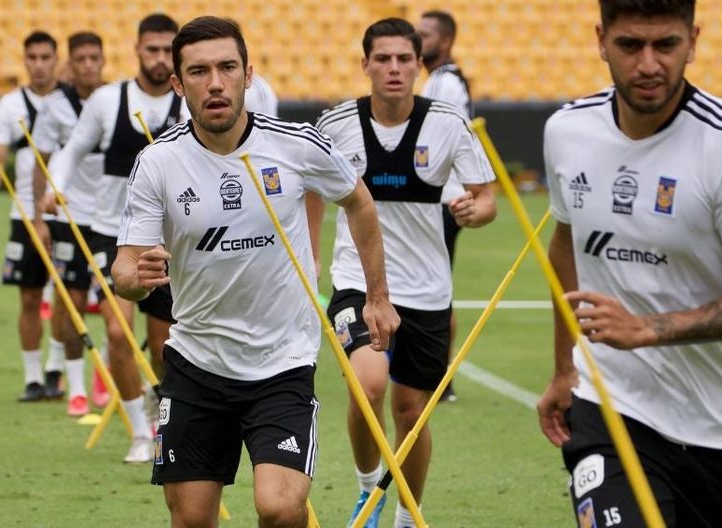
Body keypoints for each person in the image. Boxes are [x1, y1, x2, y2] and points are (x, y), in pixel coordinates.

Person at [112, 16, 399, 528]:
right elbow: (125, 269)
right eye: (198, 72)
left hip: (282, 363)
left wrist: (377, 295)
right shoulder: (157, 162)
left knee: (280, 509)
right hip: (196, 363)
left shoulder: (296, 144)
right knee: (192, 520)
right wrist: (138, 277)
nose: (215, 83)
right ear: (177, 84)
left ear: (248, 75)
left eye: (227, 68)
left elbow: (359, 202)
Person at [537, 1, 722, 526]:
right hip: (614, 407)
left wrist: (647, 329)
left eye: (665, 45)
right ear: (602, 41)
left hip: (717, 426)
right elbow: (566, 245)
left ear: (693, 41)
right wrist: (566, 367)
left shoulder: (721, 147)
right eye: (629, 45)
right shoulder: (566, 130)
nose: (648, 65)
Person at [309, 18, 496, 528]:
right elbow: (310, 187)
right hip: (358, 281)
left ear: (419, 65)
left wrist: (474, 211)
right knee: (367, 386)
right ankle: (367, 489)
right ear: (365, 64)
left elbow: (486, 199)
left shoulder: (448, 124)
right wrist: (312, 253)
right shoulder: (336, 125)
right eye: (383, 59)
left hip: (427, 290)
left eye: (404, 59)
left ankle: (408, 516)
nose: (394, 68)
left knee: (412, 413)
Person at [48, 13, 188, 463]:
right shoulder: (109, 101)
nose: (160, 58)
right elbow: (71, 151)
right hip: (113, 234)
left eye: (167, 50)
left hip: (169, 241)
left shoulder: (189, 104)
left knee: (166, 348)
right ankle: (139, 432)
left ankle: (162, 413)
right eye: (152, 50)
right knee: (117, 331)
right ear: (137, 51)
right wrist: (55, 187)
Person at [0, 30, 63, 403]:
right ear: (24, 61)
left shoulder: (71, 101)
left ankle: (57, 369)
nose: (39, 65)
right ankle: (32, 377)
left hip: (68, 212)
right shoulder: (10, 105)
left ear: (56, 59)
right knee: (29, 297)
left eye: (45, 57)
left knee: (67, 296)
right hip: (23, 212)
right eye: (32, 58)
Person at [31, 31, 106, 417]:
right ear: (70, 64)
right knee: (70, 302)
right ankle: (75, 386)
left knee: (116, 305)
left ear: (104, 60)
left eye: (95, 58)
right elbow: (41, 163)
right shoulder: (55, 106)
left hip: (111, 217)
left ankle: (105, 373)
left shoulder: (115, 101)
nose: (88, 65)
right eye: (81, 59)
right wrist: (39, 216)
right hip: (69, 215)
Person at [417, 9, 474, 403]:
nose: (419, 41)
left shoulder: (443, 83)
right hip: (444, 197)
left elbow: (437, 140)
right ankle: (438, 375)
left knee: (435, 290)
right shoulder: (443, 80)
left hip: (441, 198)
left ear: (447, 40)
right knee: (434, 286)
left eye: (426, 34)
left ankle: (439, 376)